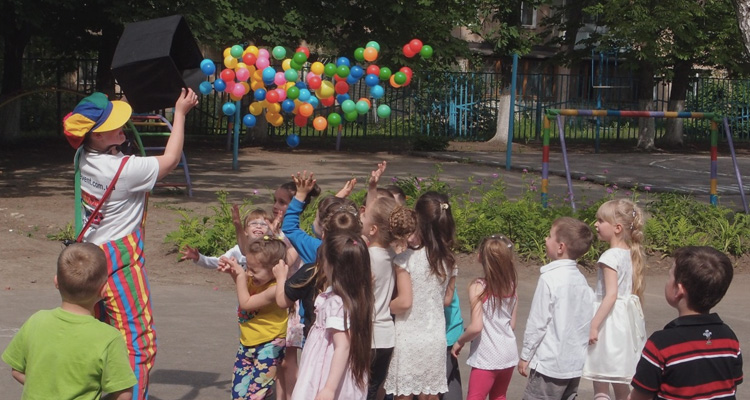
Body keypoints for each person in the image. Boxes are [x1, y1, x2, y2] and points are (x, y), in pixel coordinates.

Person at [62, 89, 198, 399]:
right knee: (139, 343)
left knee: (98, 333)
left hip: (89, 255)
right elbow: (171, 160)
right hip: (119, 259)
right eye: (114, 123)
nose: (123, 125)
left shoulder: (82, 157)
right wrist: (179, 113)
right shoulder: (124, 170)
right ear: (97, 136)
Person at [2, 243, 136, 400]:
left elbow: (17, 370)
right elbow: (123, 394)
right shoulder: (109, 338)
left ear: (56, 281)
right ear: (104, 290)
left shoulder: (36, 321)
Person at [629, 246, 743, 400]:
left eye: (670, 276)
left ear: (679, 289)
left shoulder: (661, 344)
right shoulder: (728, 339)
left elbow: (639, 397)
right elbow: (730, 389)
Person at [385, 191, 457, 400]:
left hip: (408, 337)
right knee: (430, 395)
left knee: (404, 395)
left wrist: (384, 306)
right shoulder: (449, 260)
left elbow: (405, 302)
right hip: (435, 336)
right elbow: (446, 300)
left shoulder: (406, 258)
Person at [518, 217, 595, 400]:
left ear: (560, 247)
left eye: (550, 236)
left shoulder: (549, 279)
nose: (546, 239)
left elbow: (538, 322)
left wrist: (525, 355)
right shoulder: (581, 280)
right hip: (573, 365)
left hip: (549, 365)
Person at [291, 231, 375, 400]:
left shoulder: (337, 303)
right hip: (329, 368)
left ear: (332, 265)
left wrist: (329, 388)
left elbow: (342, 345)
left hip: (327, 371)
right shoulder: (356, 297)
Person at [361, 162, 417, 399]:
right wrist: (372, 188)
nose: (360, 216)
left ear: (373, 229)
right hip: (385, 337)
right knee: (373, 391)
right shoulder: (394, 255)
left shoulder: (366, 257)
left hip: (366, 336)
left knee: (360, 391)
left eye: (364, 215)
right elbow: (376, 217)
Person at [583, 199, 647, 400]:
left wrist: (594, 325)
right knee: (620, 380)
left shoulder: (609, 257)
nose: (596, 224)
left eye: (601, 221)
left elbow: (611, 295)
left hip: (608, 323)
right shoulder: (629, 253)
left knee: (601, 381)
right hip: (624, 323)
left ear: (617, 228)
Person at [218, 236, 289, 400]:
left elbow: (246, 303)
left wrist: (241, 276)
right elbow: (244, 288)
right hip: (247, 343)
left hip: (270, 344)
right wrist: (234, 273)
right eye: (247, 267)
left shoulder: (275, 288)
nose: (249, 273)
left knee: (254, 395)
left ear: (273, 270)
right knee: (238, 394)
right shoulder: (253, 279)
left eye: (254, 270)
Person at [451, 234, 518, 400]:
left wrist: (460, 341)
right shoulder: (512, 286)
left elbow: (476, 327)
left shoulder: (478, 286)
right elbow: (512, 324)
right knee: (499, 396)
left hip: (487, 356)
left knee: (475, 397)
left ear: (481, 257)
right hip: (508, 353)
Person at [180, 208, 273, 270]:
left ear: (270, 230)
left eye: (264, 224)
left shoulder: (273, 247)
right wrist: (199, 258)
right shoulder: (237, 250)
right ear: (244, 231)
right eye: (253, 223)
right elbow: (218, 261)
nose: (258, 226)